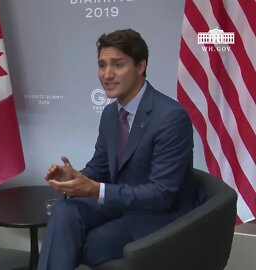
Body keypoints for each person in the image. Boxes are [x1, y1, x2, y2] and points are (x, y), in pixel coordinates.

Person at [37, 29, 200, 269]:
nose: (107, 75)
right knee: (64, 211)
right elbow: (100, 166)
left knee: (91, 243)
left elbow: (162, 194)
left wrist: (95, 190)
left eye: (118, 65)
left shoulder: (171, 117)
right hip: (121, 205)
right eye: (102, 65)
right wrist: (75, 178)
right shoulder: (110, 114)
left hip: (159, 216)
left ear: (140, 66)